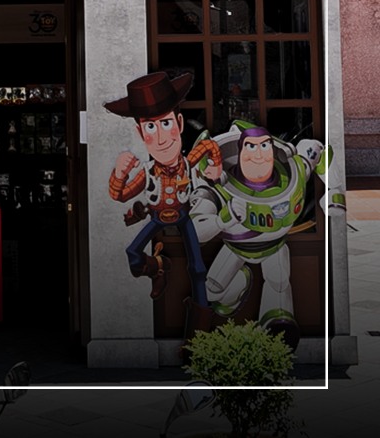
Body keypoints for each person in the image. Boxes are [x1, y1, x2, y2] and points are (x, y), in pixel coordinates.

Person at [190, 121, 345, 349]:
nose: (259, 155)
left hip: (275, 245)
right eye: (251, 147)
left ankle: (277, 326)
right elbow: (195, 229)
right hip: (236, 247)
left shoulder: (293, 171)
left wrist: (335, 191)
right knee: (213, 290)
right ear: (240, 152)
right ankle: (236, 288)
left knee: (278, 282)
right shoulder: (217, 188)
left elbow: (317, 151)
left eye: (265, 146)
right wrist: (221, 219)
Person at [105, 70, 220, 342]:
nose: (161, 138)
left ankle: (198, 339)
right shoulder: (147, 172)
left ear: (179, 123)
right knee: (132, 252)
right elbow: (120, 195)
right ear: (140, 132)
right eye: (150, 128)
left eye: (166, 123)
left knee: (197, 268)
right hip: (157, 218)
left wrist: (215, 166)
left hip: (183, 216)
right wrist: (119, 173)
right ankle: (158, 266)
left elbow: (208, 146)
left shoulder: (188, 162)